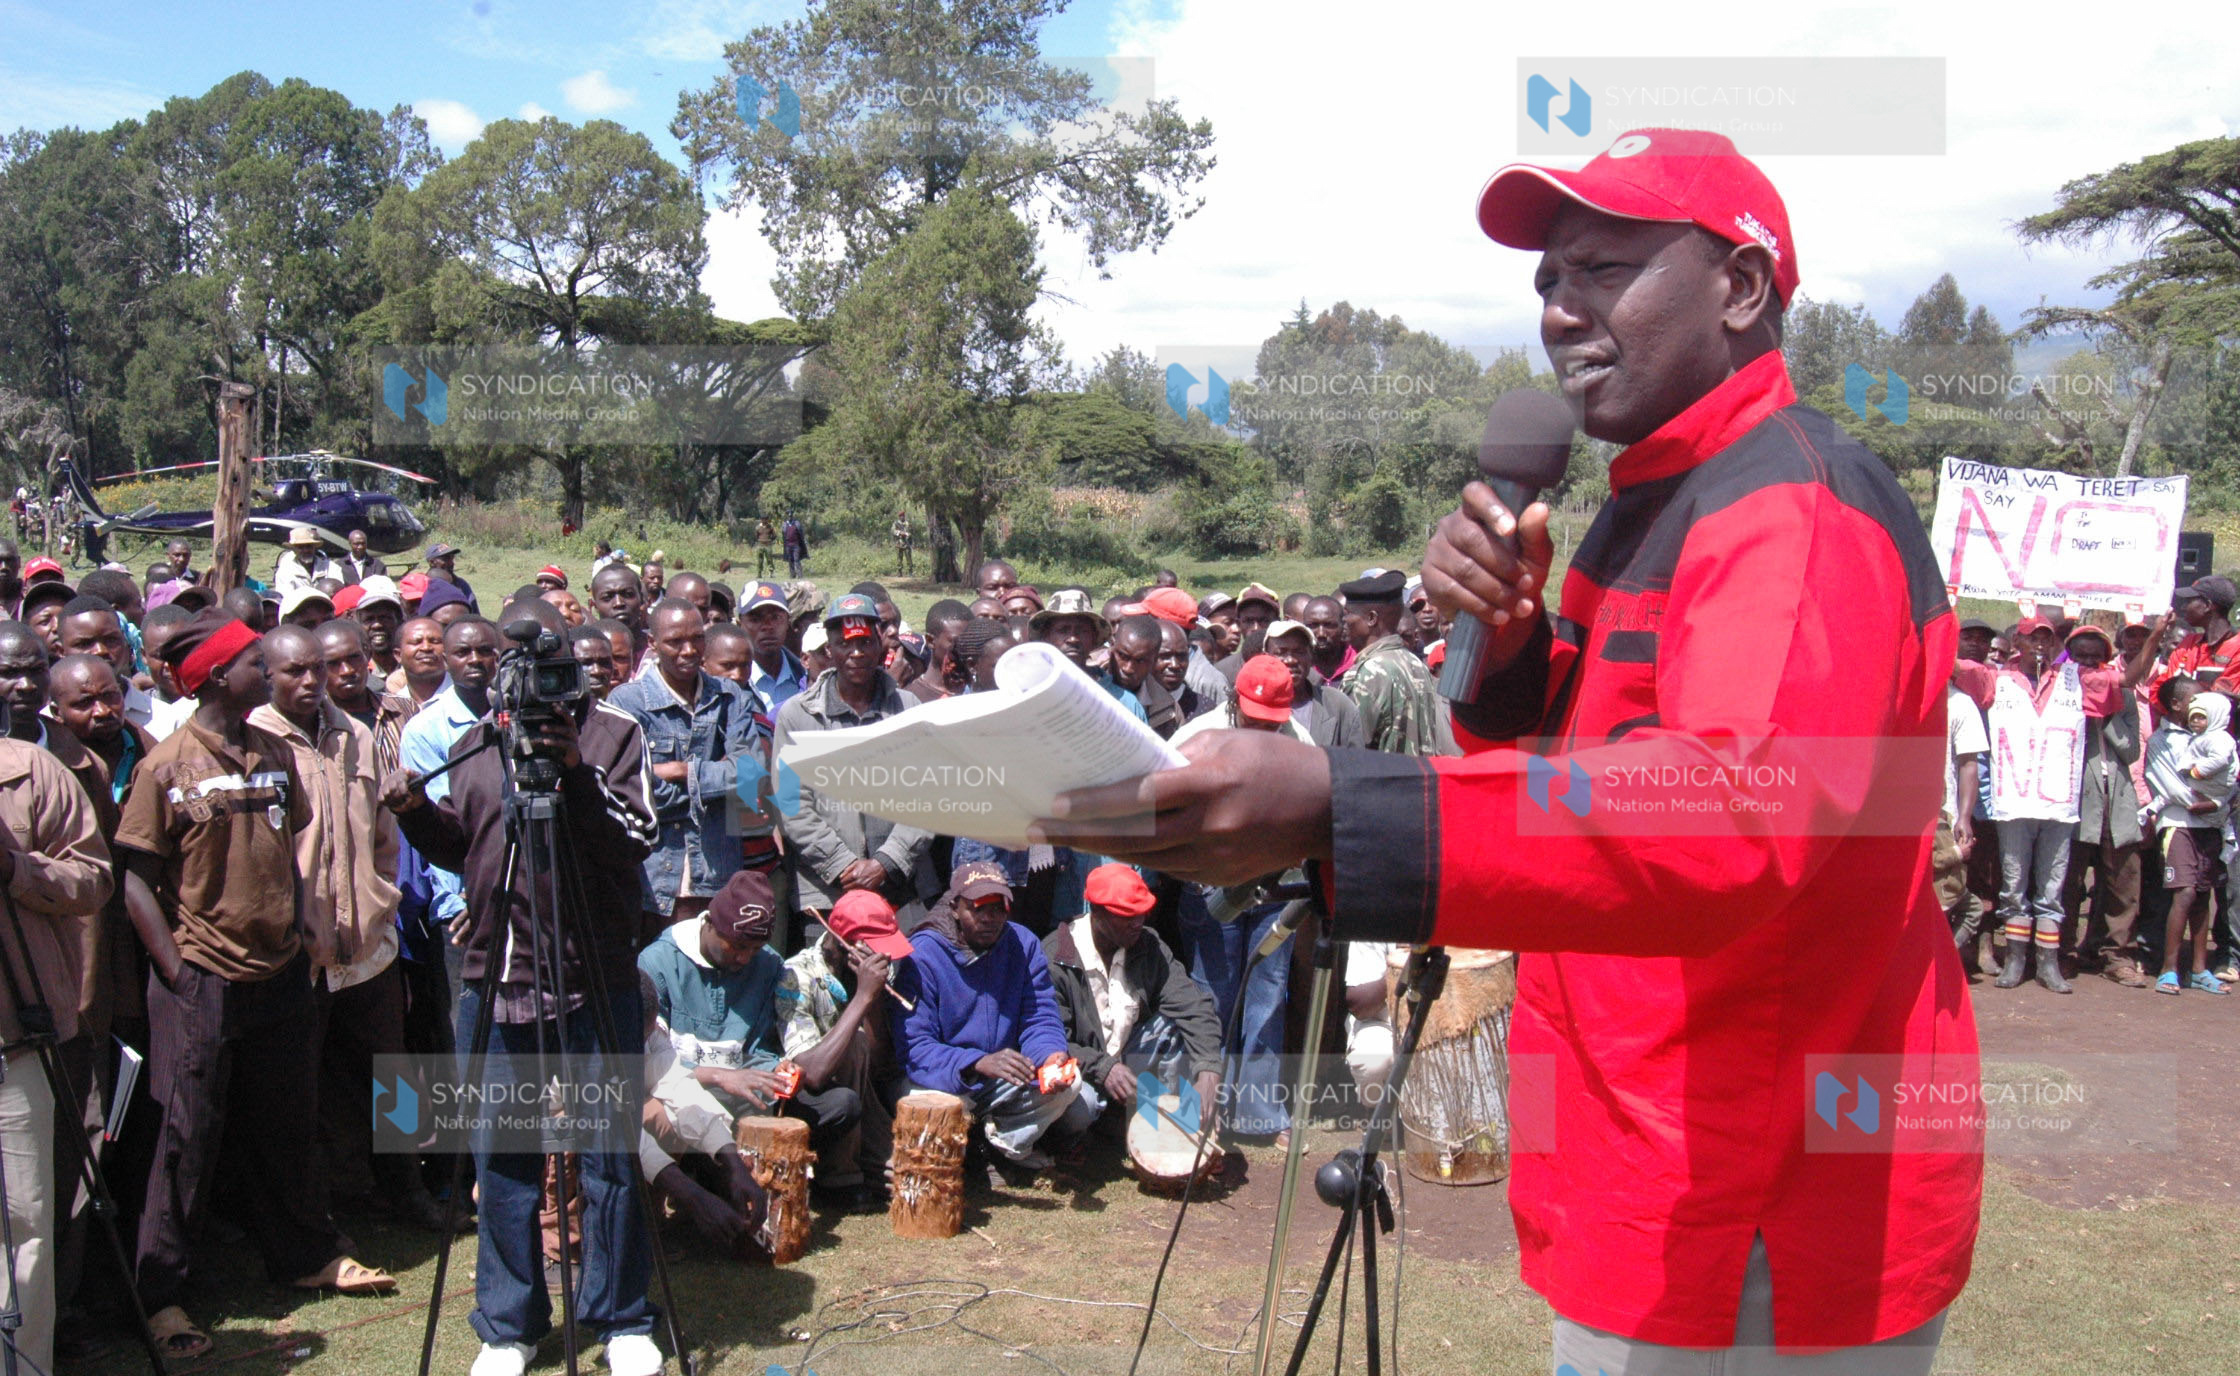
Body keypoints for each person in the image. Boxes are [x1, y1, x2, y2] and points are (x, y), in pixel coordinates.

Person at [1040, 130, 1979, 1371]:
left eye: (1602, 267)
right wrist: (1501, 628)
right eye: (1546, 279)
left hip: (1761, 1193)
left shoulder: (1791, 507)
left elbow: (1728, 820)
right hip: (1635, 1145)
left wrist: (1342, 805)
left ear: (1740, 290)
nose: (1558, 309)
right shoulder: (1644, 504)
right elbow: (1543, 752)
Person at [384, 617, 662, 1376]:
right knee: (502, 1161)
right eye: (520, 672)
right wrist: (413, 814)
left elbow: (637, 837)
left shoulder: (614, 734)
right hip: (496, 975)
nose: (538, 690)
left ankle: (622, 1317)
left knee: (607, 1155)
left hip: (592, 977)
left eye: (555, 673)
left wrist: (573, 770)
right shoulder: (476, 742)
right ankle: (508, 1326)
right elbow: (467, 847)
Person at [118, 610, 392, 1360]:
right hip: (201, 977)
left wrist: (306, 919)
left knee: (286, 1121)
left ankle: (305, 1255)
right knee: (186, 1134)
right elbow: (136, 883)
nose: (271, 674)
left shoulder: (272, 752)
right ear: (218, 678)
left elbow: (297, 842)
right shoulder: (165, 766)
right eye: (256, 664)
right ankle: (162, 1293)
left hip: (280, 973)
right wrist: (176, 971)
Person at [639, 869, 863, 1210]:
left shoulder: (768, 964)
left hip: (746, 1101)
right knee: (672, 1115)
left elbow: (759, 1050)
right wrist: (720, 1077)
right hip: (684, 1095)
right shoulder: (657, 962)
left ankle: (737, 1177)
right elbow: (652, 1065)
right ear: (710, 924)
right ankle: (704, 1177)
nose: (744, 958)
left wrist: (778, 1071)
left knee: (840, 1105)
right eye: (737, 946)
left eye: (755, 949)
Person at [0, 715, 112, 1376]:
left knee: (24, 1226)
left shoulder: (29, 770)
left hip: (17, 1046)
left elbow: (92, 880)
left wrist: (16, 868)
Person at [1977, 618, 2147, 992]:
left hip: (2060, 803)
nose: (2039, 643)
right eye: (2031, 636)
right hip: (2015, 802)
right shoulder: (1997, 678)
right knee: (2014, 884)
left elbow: (2130, 679)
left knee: (2053, 887)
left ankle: (2048, 964)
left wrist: (2161, 632)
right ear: (2016, 639)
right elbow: (1957, 669)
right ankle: (2017, 960)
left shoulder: (2075, 682)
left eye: (2045, 637)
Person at [892, 862, 1080, 1174]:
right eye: (978, 909)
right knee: (926, 1105)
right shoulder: (923, 953)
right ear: (954, 908)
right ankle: (964, 1155)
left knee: (1072, 1085)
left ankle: (1001, 1147)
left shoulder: (1023, 943)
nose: (990, 919)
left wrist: (1050, 1055)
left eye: (999, 908)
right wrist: (977, 1062)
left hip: (1002, 1077)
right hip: (944, 1078)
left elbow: (1040, 1017)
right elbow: (915, 1048)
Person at [772, 594, 938, 924]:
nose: (857, 653)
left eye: (865, 642)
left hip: (901, 888)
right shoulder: (798, 714)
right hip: (826, 892)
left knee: (901, 974)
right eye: (845, 644)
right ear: (829, 649)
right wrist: (841, 865)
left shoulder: (909, 709)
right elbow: (791, 804)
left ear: (880, 645)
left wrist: (886, 862)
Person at [609, 599, 764, 927]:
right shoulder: (628, 701)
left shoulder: (729, 696)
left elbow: (751, 777)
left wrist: (683, 771)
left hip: (718, 867)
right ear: (652, 643)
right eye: (675, 641)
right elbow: (635, 794)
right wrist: (715, 787)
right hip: (656, 874)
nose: (689, 650)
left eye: (696, 639)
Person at [1043, 864, 1221, 1145]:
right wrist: (1103, 1067)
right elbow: (1049, 1043)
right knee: (1081, 1109)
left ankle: (1161, 1125)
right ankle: (1089, 1133)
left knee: (1172, 1028)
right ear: (1097, 912)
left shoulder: (1148, 946)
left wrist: (1208, 1071)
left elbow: (1194, 1007)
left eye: (1142, 913)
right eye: (1127, 916)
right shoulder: (1056, 958)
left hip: (1129, 1060)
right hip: (1081, 1075)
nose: (1138, 922)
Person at [777, 889, 910, 1207]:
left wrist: (874, 1001)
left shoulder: (877, 972)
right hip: (812, 1101)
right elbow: (813, 1074)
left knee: (911, 1181)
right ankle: (840, 1178)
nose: (885, 959)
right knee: (852, 1045)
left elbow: (879, 1066)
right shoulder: (796, 976)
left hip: (864, 1097)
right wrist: (863, 997)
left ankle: (872, 1162)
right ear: (845, 944)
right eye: (877, 949)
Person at [396, 617, 501, 947]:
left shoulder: (516, 715)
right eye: (463, 652)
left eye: (485, 651)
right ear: (446, 660)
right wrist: (473, 895)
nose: (474, 660)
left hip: (518, 897)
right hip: (461, 906)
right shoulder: (426, 728)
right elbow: (446, 825)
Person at [2145, 683, 2235, 994]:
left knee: (2201, 894)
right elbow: (2168, 783)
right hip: (2178, 823)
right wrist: (2206, 806)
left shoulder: (2214, 739)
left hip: (2208, 827)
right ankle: (2169, 969)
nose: (2199, 705)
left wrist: (2217, 805)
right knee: (2183, 892)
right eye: (2193, 699)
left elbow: (2229, 780)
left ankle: (2199, 969)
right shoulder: (2161, 740)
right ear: (2176, 703)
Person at [1338, 570, 1454, 756]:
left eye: (1348, 614)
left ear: (1371, 619)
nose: (1343, 621)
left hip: (1385, 781)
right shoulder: (1415, 663)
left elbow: (1351, 751)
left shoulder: (1368, 673)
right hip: (1420, 779)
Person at [1263, 618, 1366, 748]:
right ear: (1266, 657)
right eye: (1281, 652)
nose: (1291, 660)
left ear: (1311, 658)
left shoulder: (1337, 705)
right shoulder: (1251, 706)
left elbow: (1355, 761)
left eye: (1299, 652)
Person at [1106, 614, 1183, 737]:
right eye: (1123, 656)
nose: (1128, 668)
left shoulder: (1168, 711)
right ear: (1112, 648)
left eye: (1140, 661)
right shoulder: (1086, 682)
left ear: (1154, 661)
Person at [738, 581, 807, 716]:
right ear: (740, 623)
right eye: (755, 619)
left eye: (775, 617)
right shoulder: (732, 680)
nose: (767, 627)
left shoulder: (805, 677)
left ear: (788, 621)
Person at [2162, 576, 2238, 694]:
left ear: (2207, 606)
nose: (2183, 607)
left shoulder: (2237, 648)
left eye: (2189, 601)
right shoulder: (2187, 643)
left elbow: (2220, 699)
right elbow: (2164, 691)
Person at [349, 576, 406, 682]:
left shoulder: (413, 667)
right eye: (369, 619)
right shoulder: (354, 674)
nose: (377, 625)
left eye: (384, 618)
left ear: (399, 620)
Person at [591, 562, 651, 661]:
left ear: (641, 598)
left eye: (628, 594)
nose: (619, 603)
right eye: (607, 597)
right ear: (594, 605)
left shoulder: (659, 652)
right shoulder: (585, 654)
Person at [389, 614, 449, 707]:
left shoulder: (465, 695)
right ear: (398, 655)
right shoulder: (396, 708)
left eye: (435, 641)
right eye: (416, 642)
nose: (426, 647)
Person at [272, 528, 334, 595]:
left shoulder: (329, 566)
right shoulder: (285, 572)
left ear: (314, 547)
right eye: (300, 547)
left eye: (309, 546)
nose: (306, 550)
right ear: (293, 549)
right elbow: (287, 599)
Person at [423, 542, 477, 613]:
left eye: (452, 558)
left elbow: (474, 614)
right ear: (432, 562)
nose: (452, 563)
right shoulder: (422, 585)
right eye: (446, 559)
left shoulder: (461, 585)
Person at [781, 516, 808, 581]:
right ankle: (792, 575)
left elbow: (801, 534)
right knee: (790, 560)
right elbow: (784, 535)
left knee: (797, 560)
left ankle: (800, 575)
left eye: (791, 516)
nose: (789, 517)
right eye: (788, 516)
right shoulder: (785, 525)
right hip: (788, 545)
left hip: (796, 545)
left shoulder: (797, 524)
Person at [891, 510, 912, 575]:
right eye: (901, 516)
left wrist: (907, 534)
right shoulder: (896, 523)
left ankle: (910, 572)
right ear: (899, 517)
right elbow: (893, 531)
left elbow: (910, 532)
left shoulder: (907, 523)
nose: (902, 517)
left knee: (909, 558)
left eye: (903, 516)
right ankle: (899, 572)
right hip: (899, 542)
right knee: (899, 558)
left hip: (906, 542)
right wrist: (900, 533)